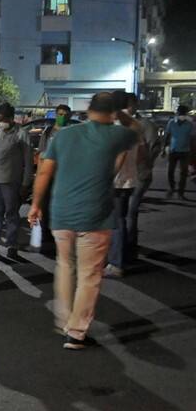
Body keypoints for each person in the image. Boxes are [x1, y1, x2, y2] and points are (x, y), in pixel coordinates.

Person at [28, 92, 139, 350]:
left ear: (88, 109)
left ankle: (63, 320)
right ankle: (76, 332)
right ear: (112, 112)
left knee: (65, 265)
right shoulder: (116, 135)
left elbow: (44, 170)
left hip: (62, 212)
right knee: (89, 274)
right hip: (96, 216)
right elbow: (135, 129)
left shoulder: (64, 135)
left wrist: (35, 204)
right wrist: (121, 113)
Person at [106, 92, 146, 279]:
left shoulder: (117, 124)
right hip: (129, 179)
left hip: (116, 181)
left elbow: (120, 154)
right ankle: (121, 258)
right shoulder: (135, 125)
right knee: (120, 219)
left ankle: (115, 263)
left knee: (116, 222)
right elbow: (141, 154)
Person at [0, 103, 32, 259]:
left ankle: (12, 245)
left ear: (10, 118)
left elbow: (28, 161)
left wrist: (26, 183)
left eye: (2, 119)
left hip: (12, 181)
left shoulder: (21, 134)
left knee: (12, 215)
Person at [34, 104, 75, 255]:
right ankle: (47, 238)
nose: (62, 117)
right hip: (49, 175)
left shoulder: (72, 133)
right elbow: (41, 154)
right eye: (60, 114)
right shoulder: (48, 131)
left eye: (65, 114)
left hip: (65, 176)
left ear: (69, 116)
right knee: (45, 206)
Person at [124, 93, 157, 258]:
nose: (126, 108)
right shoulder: (121, 124)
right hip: (123, 176)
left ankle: (130, 248)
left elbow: (151, 150)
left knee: (131, 210)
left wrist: (145, 165)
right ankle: (125, 245)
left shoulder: (145, 125)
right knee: (123, 212)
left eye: (129, 104)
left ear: (135, 105)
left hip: (139, 174)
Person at [164, 105, 192, 198]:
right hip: (173, 150)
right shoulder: (171, 123)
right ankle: (172, 188)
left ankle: (180, 192)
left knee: (183, 173)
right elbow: (167, 136)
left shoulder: (190, 124)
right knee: (170, 171)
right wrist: (164, 148)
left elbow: (193, 138)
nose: (182, 115)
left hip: (185, 151)